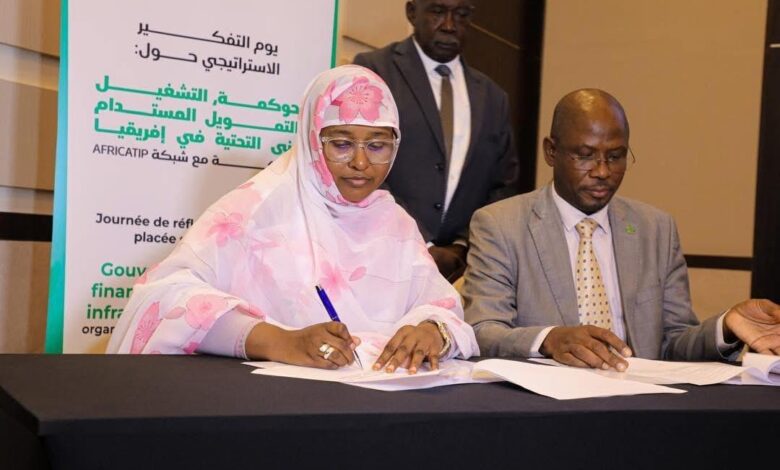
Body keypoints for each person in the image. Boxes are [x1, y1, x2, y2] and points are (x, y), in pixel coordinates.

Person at [107, 65, 478, 374]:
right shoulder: (256, 209)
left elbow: (440, 304)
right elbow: (162, 297)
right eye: (342, 144)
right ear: (311, 139)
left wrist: (433, 330)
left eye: (377, 145)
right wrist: (280, 341)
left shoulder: (394, 221)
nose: (361, 163)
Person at [463, 88, 780, 371]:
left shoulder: (656, 229)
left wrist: (726, 327)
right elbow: (483, 330)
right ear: (551, 152)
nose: (602, 172)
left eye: (615, 157)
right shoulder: (500, 224)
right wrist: (549, 339)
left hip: (640, 401)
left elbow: (674, 343)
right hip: (547, 405)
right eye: (585, 156)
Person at [353, 0, 518, 282]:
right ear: (412, 12)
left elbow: (503, 185)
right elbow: (361, 166)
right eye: (438, 12)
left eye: (461, 15)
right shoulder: (374, 71)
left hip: (462, 270)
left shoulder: (493, 97)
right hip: (381, 258)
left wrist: (463, 244)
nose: (450, 25)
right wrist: (423, 243)